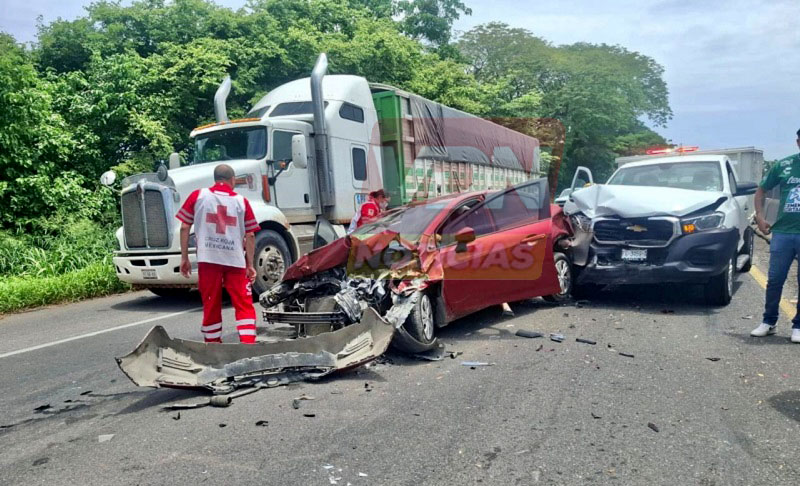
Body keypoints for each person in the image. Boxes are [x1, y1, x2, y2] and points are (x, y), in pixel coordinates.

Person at [177, 164, 260, 343]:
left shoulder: (198, 196)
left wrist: (184, 258)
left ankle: (213, 345)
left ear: (215, 179)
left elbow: (184, 227)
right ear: (232, 180)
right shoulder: (241, 201)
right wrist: (250, 265)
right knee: (243, 304)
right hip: (235, 260)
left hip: (208, 259)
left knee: (211, 302)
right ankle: (248, 343)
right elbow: (251, 234)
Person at [751, 128, 800, 342]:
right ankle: (769, 321)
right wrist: (760, 217)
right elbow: (761, 190)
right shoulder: (784, 165)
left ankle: (798, 326)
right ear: (798, 142)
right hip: (782, 232)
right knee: (775, 279)